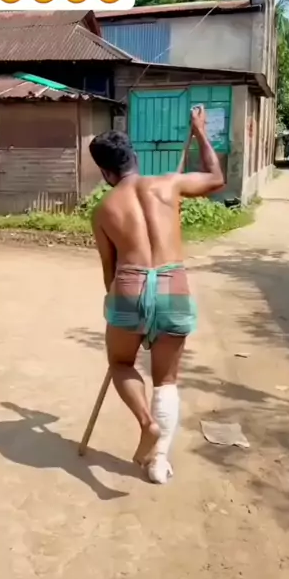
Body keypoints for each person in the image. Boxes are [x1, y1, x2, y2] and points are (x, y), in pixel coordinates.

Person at [89, 105, 224, 484]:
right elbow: (216, 178)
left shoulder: (103, 209)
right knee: (166, 380)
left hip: (129, 286)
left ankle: (146, 422)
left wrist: (116, 304)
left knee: (120, 363)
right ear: (134, 157)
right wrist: (199, 130)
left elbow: (109, 269)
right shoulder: (169, 184)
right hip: (172, 285)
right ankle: (158, 463)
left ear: (106, 172)